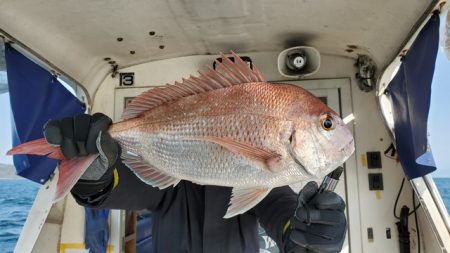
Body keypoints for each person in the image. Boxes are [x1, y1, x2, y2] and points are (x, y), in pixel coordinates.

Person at [44, 113, 347, 253]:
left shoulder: (263, 179)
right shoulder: (167, 179)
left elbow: (282, 211)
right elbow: (128, 187)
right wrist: (94, 178)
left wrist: (306, 233)